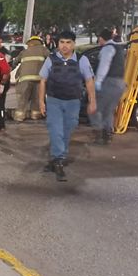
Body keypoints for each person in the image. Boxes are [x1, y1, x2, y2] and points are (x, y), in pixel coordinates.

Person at [38, 30, 96, 181]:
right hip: (54, 100)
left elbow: (89, 81)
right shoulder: (51, 59)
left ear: (74, 44)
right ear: (58, 44)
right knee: (55, 129)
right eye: (62, 42)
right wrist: (41, 101)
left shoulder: (82, 60)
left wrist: (92, 101)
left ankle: (56, 158)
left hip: (73, 101)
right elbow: (42, 80)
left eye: (68, 42)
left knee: (67, 129)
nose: (64, 46)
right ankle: (59, 160)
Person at [89, 28, 127, 145]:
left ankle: (99, 136)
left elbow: (104, 66)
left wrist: (98, 82)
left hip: (109, 82)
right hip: (120, 83)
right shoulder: (118, 48)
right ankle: (107, 135)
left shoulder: (107, 49)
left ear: (101, 38)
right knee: (108, 111)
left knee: (94, 109)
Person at [13, 35, 50, 122]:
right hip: (39, 79)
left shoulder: (24, 52)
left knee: (23, 98)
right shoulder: (43, 50)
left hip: (24, 79)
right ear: (40, 43)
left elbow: (15, 62)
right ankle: (35, 115)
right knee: (36, 98)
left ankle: (19, 116)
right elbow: (51, 60)